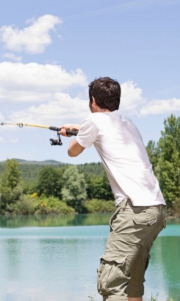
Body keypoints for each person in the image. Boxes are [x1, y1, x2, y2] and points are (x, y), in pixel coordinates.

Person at [60, 77, 166, 301]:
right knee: (132, 285)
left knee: (111, 283)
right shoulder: (128, 123)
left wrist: (74, 133)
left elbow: (73, 151)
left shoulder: (94, 121)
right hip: (156, 209)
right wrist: (79, 128)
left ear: (92, 100)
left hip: (134, 211)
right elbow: (104, 130)